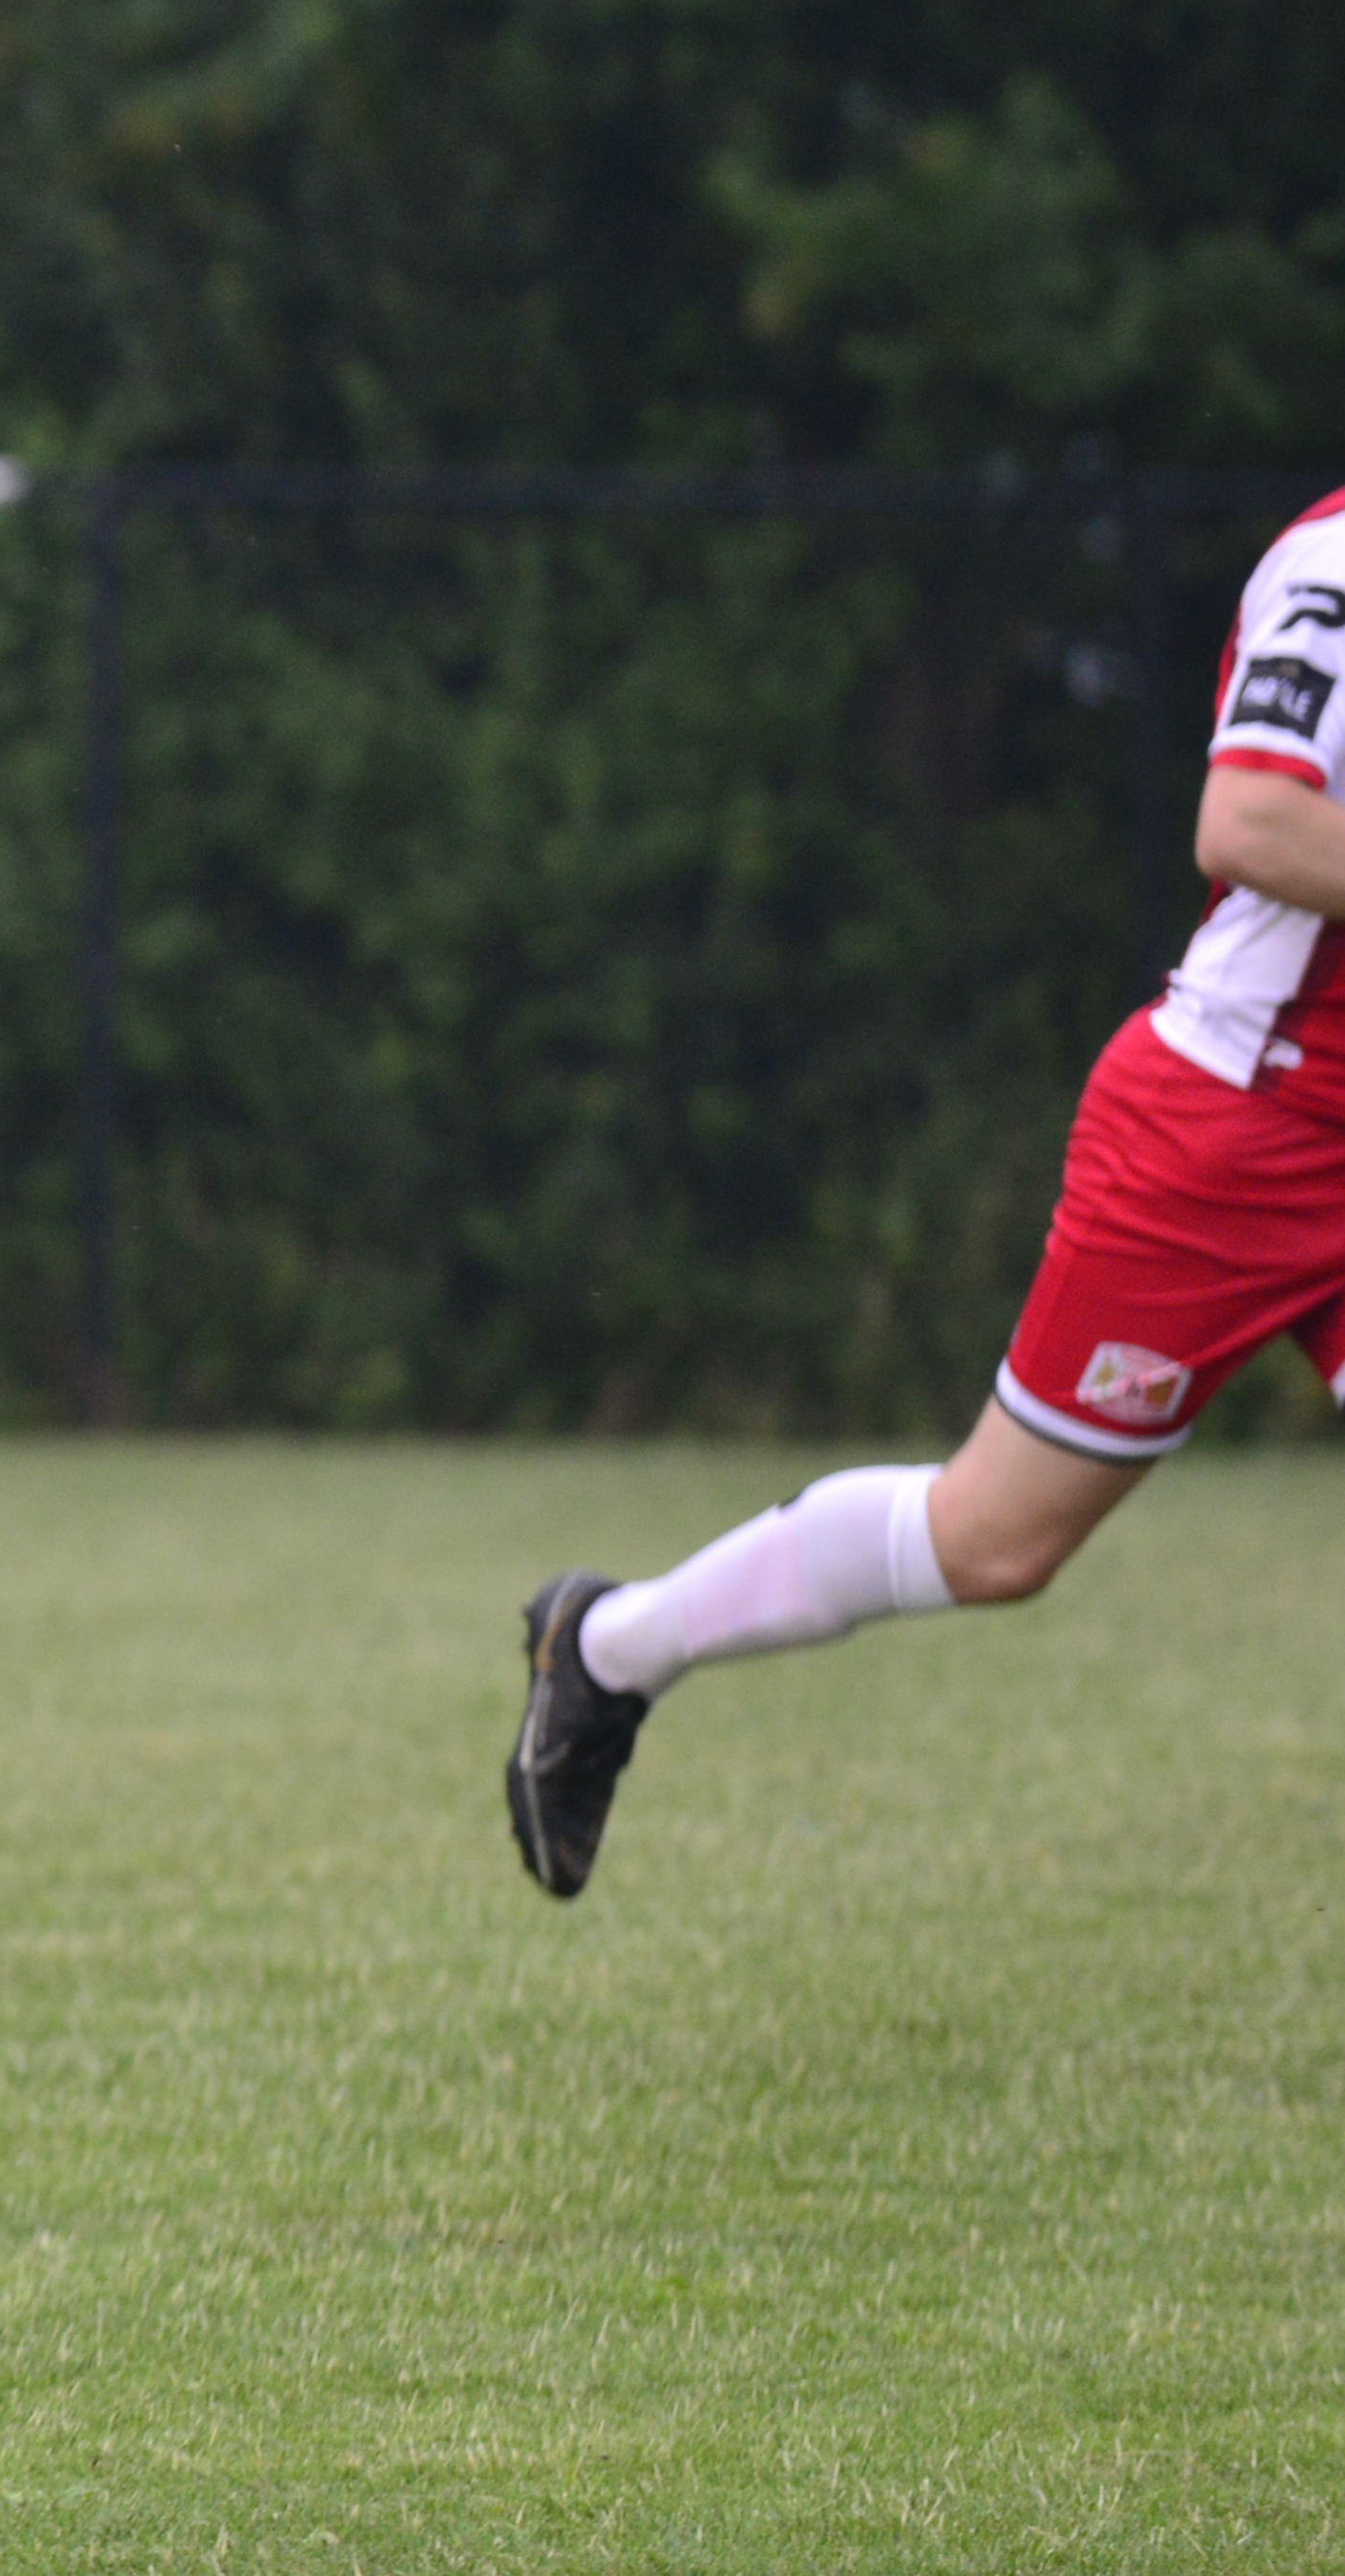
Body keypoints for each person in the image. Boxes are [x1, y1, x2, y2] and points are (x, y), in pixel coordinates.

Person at [509, 489, 1345, 1896]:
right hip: (1231, 1130)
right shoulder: (1334, 560)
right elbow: (1250, 818)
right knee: (995, 1538)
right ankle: (607, 1650)